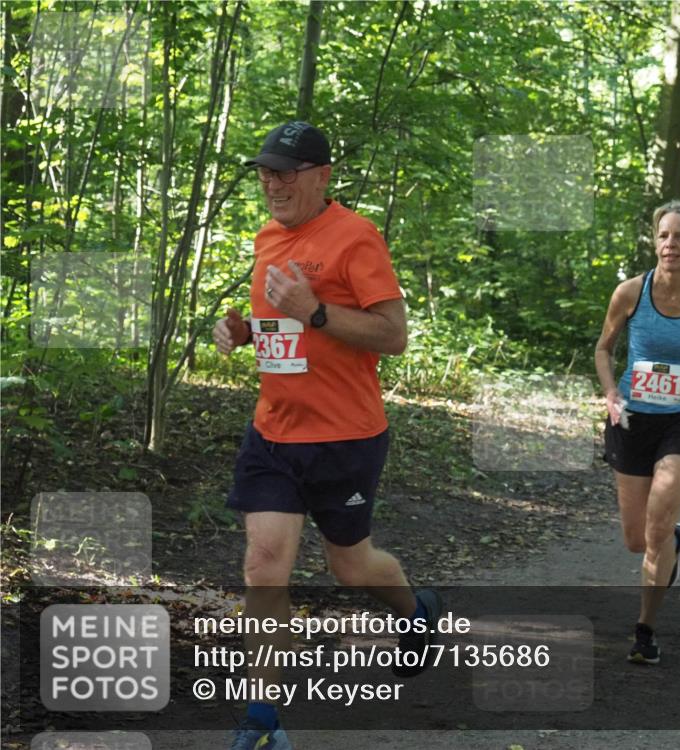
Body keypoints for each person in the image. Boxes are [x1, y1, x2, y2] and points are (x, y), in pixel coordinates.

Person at [213, 122, 442, 750]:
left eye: (286, 171)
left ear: (321, 175)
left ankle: (416, 615)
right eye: (265, 171)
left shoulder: (356, 237)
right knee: (264, 568)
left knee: (351, 566)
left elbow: (392, 335)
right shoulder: (266, 238)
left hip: (345, 437)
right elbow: (286, 337)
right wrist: (245, 335)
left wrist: (314, 308)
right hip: (274, 433)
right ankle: (262, 721)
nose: (272, 182)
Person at [595, 200, 680, 665]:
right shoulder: (629, 292)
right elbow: (603, 349)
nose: (669, 244)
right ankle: (673, 542)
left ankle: (645, 632)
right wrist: (611, 392)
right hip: (632, 419)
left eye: (679, 237)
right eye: (663, 236)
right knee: (637, 540)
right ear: (654, 241)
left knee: (654, 527)